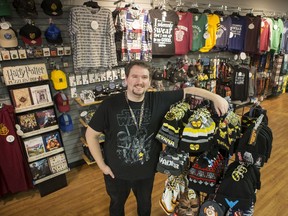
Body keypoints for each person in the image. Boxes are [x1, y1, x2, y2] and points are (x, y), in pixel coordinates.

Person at [85, 60, 229, 216]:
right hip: (116, 173)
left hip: (146, 173)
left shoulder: (158, 100)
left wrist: (215, 97)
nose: (139, 82)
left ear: (149, 81)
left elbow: (190, 90)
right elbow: (91, 135)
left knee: (145, 206)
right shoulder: (110, 105)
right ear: (126, 79)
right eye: (134, 76)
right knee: (116, 207)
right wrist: (102, 166)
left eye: (144, 77)